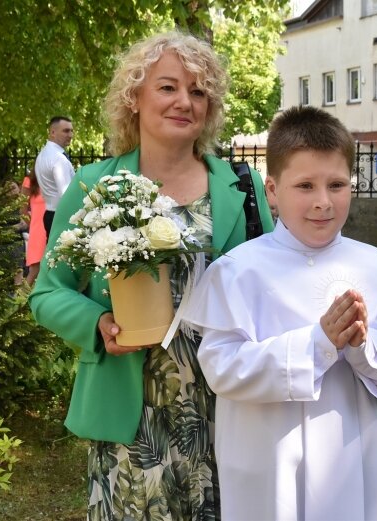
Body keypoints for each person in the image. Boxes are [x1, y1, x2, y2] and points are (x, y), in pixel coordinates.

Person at [29, 31, 273, 520]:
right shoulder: (94, 185)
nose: (185, 101)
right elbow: (48, 293)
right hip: (129, 421)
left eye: (199, 91)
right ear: (134, 97)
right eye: (167, 87)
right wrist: (97, 326)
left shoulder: (241, 188)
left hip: (224, 413)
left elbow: (272, 288)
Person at [182, 106, 377, 521]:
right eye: (305, 185)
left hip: (354, 453)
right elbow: (221, 367)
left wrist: (364, 347)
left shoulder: (376, 267)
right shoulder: (237, 271)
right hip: (268, 457)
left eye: (336, 184)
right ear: (271, 191)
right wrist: (315, 345)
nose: (323, 202)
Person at [34, 115, 75, 236]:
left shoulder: (43, 155)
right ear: (52, 132)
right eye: (66, 131)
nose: (71, 135)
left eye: (72, 131)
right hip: (62, 216)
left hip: (50, 214)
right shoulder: (58, 158)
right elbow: (67, 194)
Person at [20, 169, 47, 285]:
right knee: (35, 269)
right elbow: (22, 209)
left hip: (53, 225)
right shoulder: (29, 182)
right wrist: (33, 225)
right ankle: (20, 300)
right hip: (37, 229)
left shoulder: (53, 180)